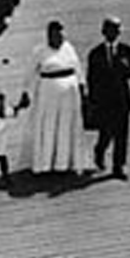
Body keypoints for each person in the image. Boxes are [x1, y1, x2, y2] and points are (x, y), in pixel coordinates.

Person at [20, 20, 89, 175]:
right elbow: (29, 73)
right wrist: (26, 92)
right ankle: (45, 164)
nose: (59, 39)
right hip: (48, 95)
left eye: (62, 35)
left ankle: (64, 163)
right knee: (49, 126)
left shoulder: (69, 48)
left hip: (70, 96)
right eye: (56, 35)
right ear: (48, 36)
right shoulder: (39, 51)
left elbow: (78, 69)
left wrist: (83, 87)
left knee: (66, 126)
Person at [86, 17, 130, 179]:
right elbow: (91, 78)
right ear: (103, 32)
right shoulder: (95, 54)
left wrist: (124, 66)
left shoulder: (125, 50)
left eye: (116, 31)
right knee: (106, 132)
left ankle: (119, 165)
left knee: (122, 134)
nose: (113, 34)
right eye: (109, 31)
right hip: (104, 99)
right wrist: (93, 100)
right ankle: (100, 150)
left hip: (121, 98)